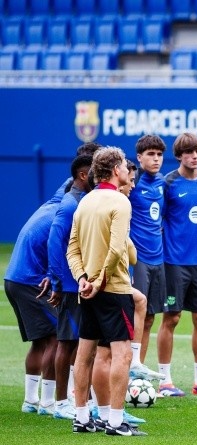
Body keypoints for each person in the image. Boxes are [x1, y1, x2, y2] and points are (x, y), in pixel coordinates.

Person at [66, 146, 146, 436]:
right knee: (122, 355)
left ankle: (81, 417)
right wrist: (99, 281)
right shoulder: (120, 202)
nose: (127, 169)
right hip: (113, 289)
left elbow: (72, 248)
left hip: (88, 289)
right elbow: (116, 249)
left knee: (84, 353)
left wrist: (82, 279)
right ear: (115, 170)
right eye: (124, 165)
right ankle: (114, 421)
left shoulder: (85, 201)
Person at [156, 133, 197, 396]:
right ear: (179, 156)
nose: (194, 156)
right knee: (171, 318)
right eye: (188, 152)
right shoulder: (168, 183)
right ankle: (164, 380)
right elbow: (158, 221)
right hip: (174, 262)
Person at [46, 154, 95, 420]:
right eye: (94, 172)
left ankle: (81, 398)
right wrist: (56, 281)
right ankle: (61, 403)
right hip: (69, 284)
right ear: (83, 175)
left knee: (79, 342)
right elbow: (54, 243)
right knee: (66, 342)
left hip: (80, 281)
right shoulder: (69, 205)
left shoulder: (83, 201)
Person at [5, 195, 60, 416]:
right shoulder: (68, 209)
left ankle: (30, 401)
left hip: (14, 278)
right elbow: (57, 247)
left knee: (40, 341)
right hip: (31, 281)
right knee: (58, 338)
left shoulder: (55, 203)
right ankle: (47, 402)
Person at [127, 134, 168, 382]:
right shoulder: (133, 182)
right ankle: (126, 368)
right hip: (138, 260)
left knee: (150, 317)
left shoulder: (163, 182)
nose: (156, 159)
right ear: (139, 157)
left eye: (159, 154)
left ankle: (138, 370)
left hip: (158, 259)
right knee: (134, 315)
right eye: (150, 154)